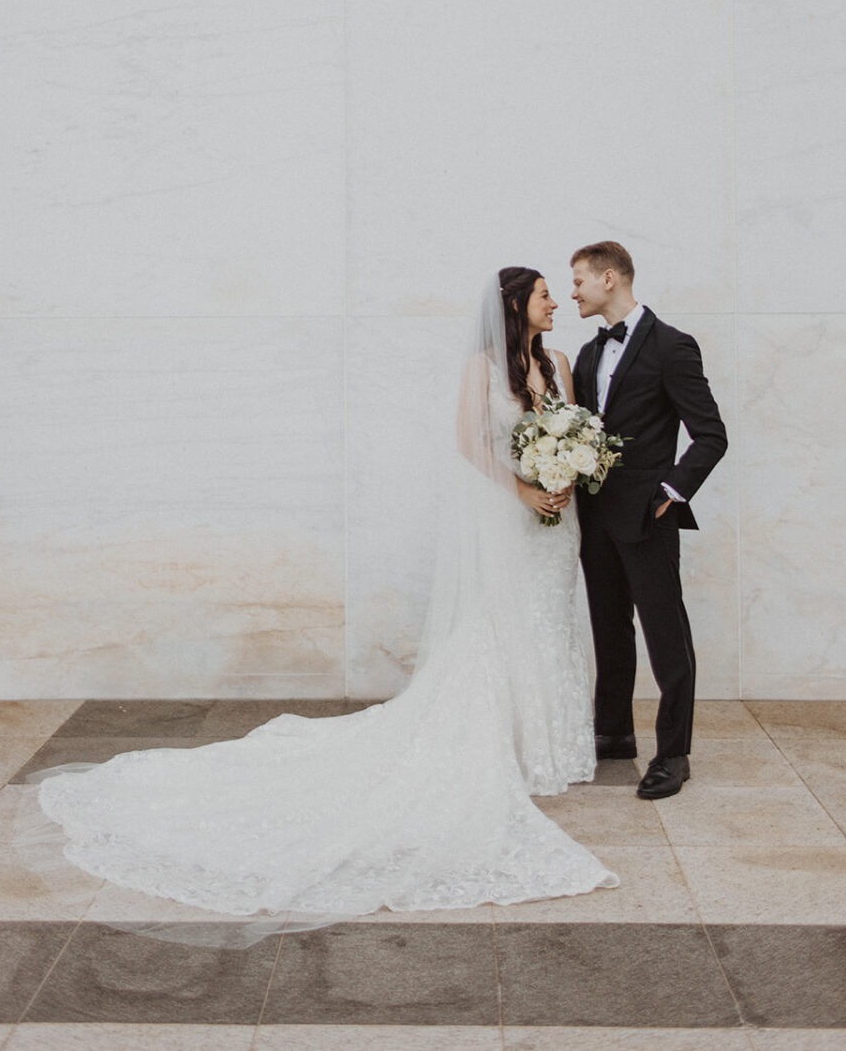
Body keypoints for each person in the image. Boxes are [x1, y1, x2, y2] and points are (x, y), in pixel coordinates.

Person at [32, 267, 618, 925]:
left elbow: (574, 431)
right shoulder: (480, 368)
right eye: (545, 295)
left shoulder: (561, 362)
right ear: (516, 305)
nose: (555, 304)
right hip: (513, 519)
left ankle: (557, 743)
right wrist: (523, 490)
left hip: (556, 524)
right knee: (505, 621)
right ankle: (508, 741)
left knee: (553, 621)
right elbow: (469, 442)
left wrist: (566, 473)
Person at [570, 242, 727, 801]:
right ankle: (613, 734)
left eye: (580, 281)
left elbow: (711, 436)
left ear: (609, 278)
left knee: (666, 634)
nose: (574, 292)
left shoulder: (672, 346)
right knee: (609, 629)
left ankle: (673, 754)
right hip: (596, 516)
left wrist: (671, 491)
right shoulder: (587, 356)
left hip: (649, 514)